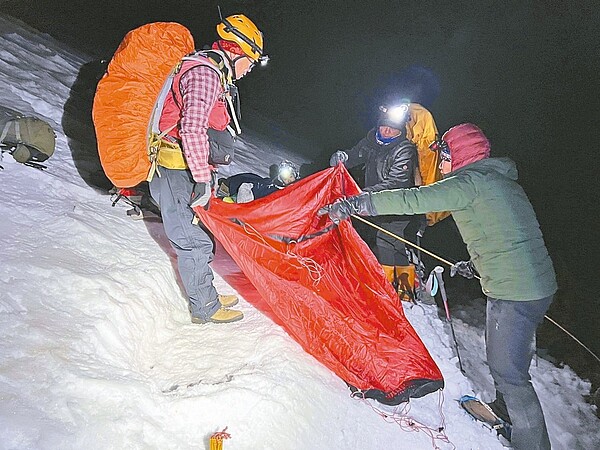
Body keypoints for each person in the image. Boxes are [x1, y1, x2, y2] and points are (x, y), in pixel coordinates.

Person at [321, 123, 557, 450]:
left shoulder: (469, 182)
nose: (440, 160)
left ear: (458, 154)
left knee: (509, 371)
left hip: (515, 291)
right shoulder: (498, 182)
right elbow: (509, 233)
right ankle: (506, 411)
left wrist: (355, 204)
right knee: (507, 358)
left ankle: (531, 442)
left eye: (443, 153)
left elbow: (416, 198)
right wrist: (475, 265)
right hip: (528, 284)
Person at [149, 14, 267, 324]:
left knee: (199, 234)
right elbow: (191, 129)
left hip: (187, 168)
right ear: (238, 51)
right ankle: (205, 308)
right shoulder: (205, 74)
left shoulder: (214, 72)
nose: (249, 71)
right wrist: (201, 180)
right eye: (251, 63)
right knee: (191, 239)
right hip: (177, 170)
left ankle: (205, 292)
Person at [329, 102, 421, 300]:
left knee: (387, 241)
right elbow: (356, 155)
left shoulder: (405, 150)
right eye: (384, 127)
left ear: (400, 131)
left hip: (397, 205)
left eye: (393, 130)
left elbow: (396, 183)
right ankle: (403, 289)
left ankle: (390, 290)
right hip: (373, 202)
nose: (387, 132)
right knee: (392, 244)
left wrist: (364, 196)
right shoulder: (372, 140)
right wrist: (343, 157)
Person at [217, 160, 300, 203]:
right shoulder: (275, 186)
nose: (289, 180)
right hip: (256, 193)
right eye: (285, 179)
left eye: (291, 177)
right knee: (250, 180)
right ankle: (228, 187)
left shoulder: (300, 188)